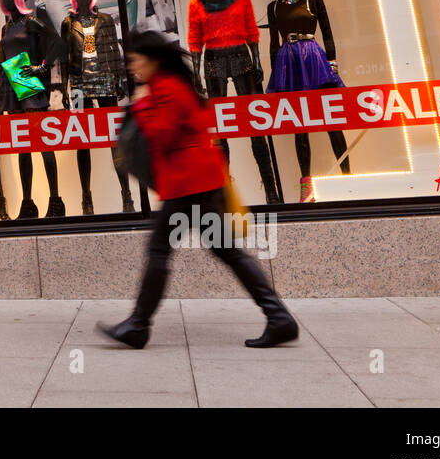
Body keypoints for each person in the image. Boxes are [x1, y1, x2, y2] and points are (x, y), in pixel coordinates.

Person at [97, 30, 298, 350]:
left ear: (152, 60)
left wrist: (141, 105)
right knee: (225, 252)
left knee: (162, 250)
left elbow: (162, 135)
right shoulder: (171, 86)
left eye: (135, 61)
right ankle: (279, 318)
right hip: (196, 183)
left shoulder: (168, 89)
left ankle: (138, 324)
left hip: (189, 185)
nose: (133, 68)